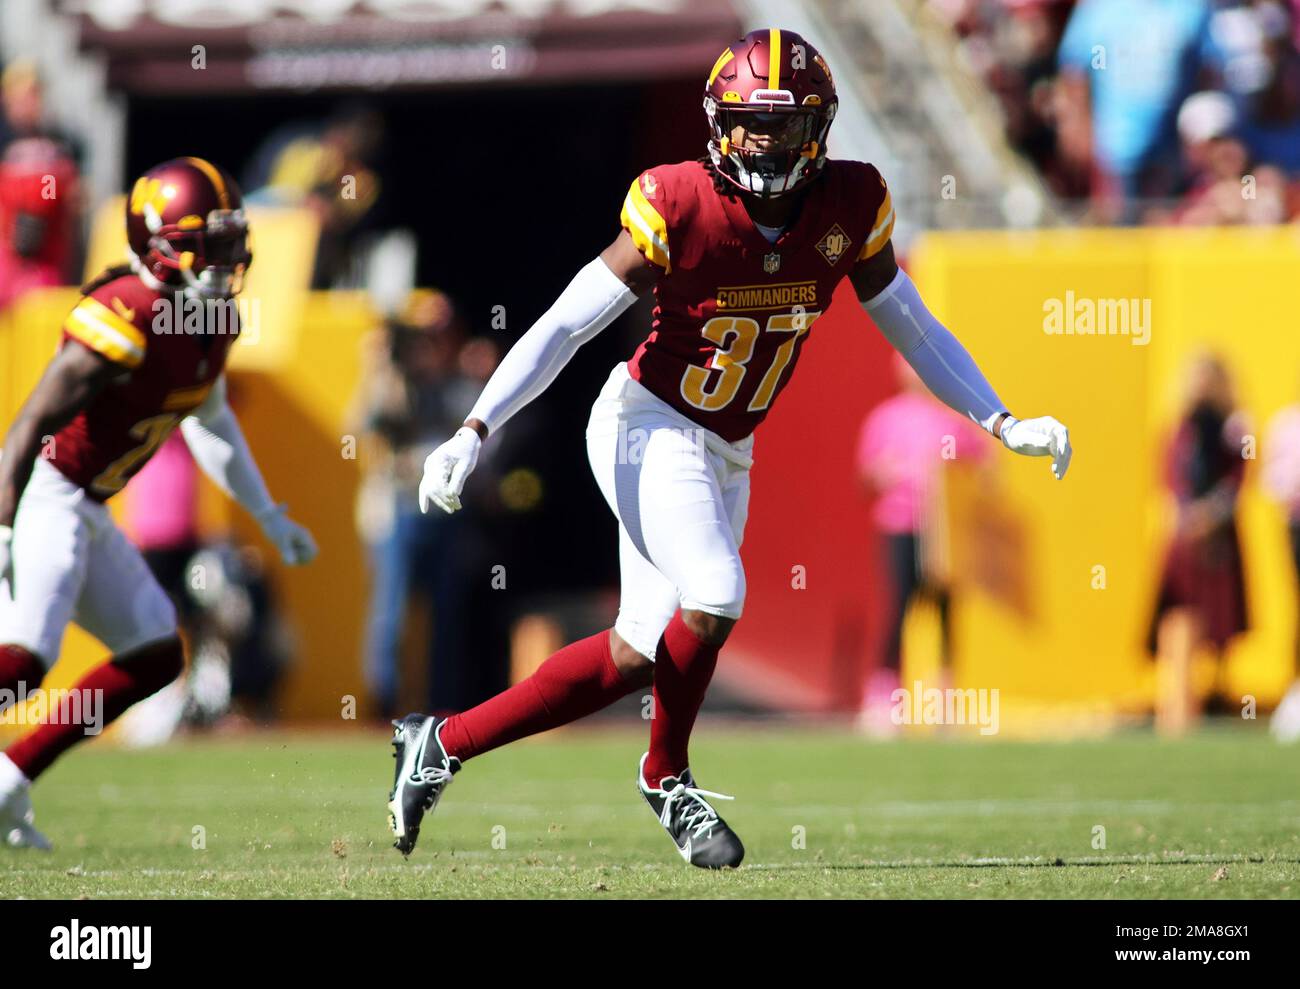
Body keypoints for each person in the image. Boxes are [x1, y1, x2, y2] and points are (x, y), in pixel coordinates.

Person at [388, 29, 1073, 869]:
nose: (767, 143)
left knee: (634, 652)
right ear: (718, 123)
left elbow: (917, 330)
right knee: (715, 593)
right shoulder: (679, 203)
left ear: (819, 129)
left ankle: (438, 743)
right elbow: (567, 323)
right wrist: (474, 428)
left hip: (724, 444)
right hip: (647, 421)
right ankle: (666, 775)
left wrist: (1002, 420)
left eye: (787, 128)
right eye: (752, 124)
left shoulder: (849, 204)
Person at [0, 158, 317, 849]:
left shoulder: (210, 316)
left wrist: (266, 513)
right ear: (161, 244)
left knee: (152, 652)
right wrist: (2, 527)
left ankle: (11, 776)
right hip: (47, 493)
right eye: (213, 243)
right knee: (22, 664)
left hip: (89, 505)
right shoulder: (129, 312)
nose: (229, 258)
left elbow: (211, 419)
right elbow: (26, 425)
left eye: (234, 242)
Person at [855, 353, 990, 735]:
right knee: (899, 607)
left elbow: (982, 465)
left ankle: (944, 704)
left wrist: (955, 481)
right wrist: (887, 472)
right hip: (900, 525)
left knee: (946, 611)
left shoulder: (952, 418)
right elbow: (867, 472)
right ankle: (885, 703)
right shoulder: (886, 418)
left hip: (943, 531)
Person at [1148, 354, 1249, 735]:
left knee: (1216, 622)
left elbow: (1236, 481)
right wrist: (1185, 517)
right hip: (1183, 538)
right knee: (1178, 617)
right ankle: (1173, 706)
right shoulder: (1179, 429)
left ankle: (1210, 698)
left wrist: (1209, 516)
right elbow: (1169, 479)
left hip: (1216, 540)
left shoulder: (1232, 429)